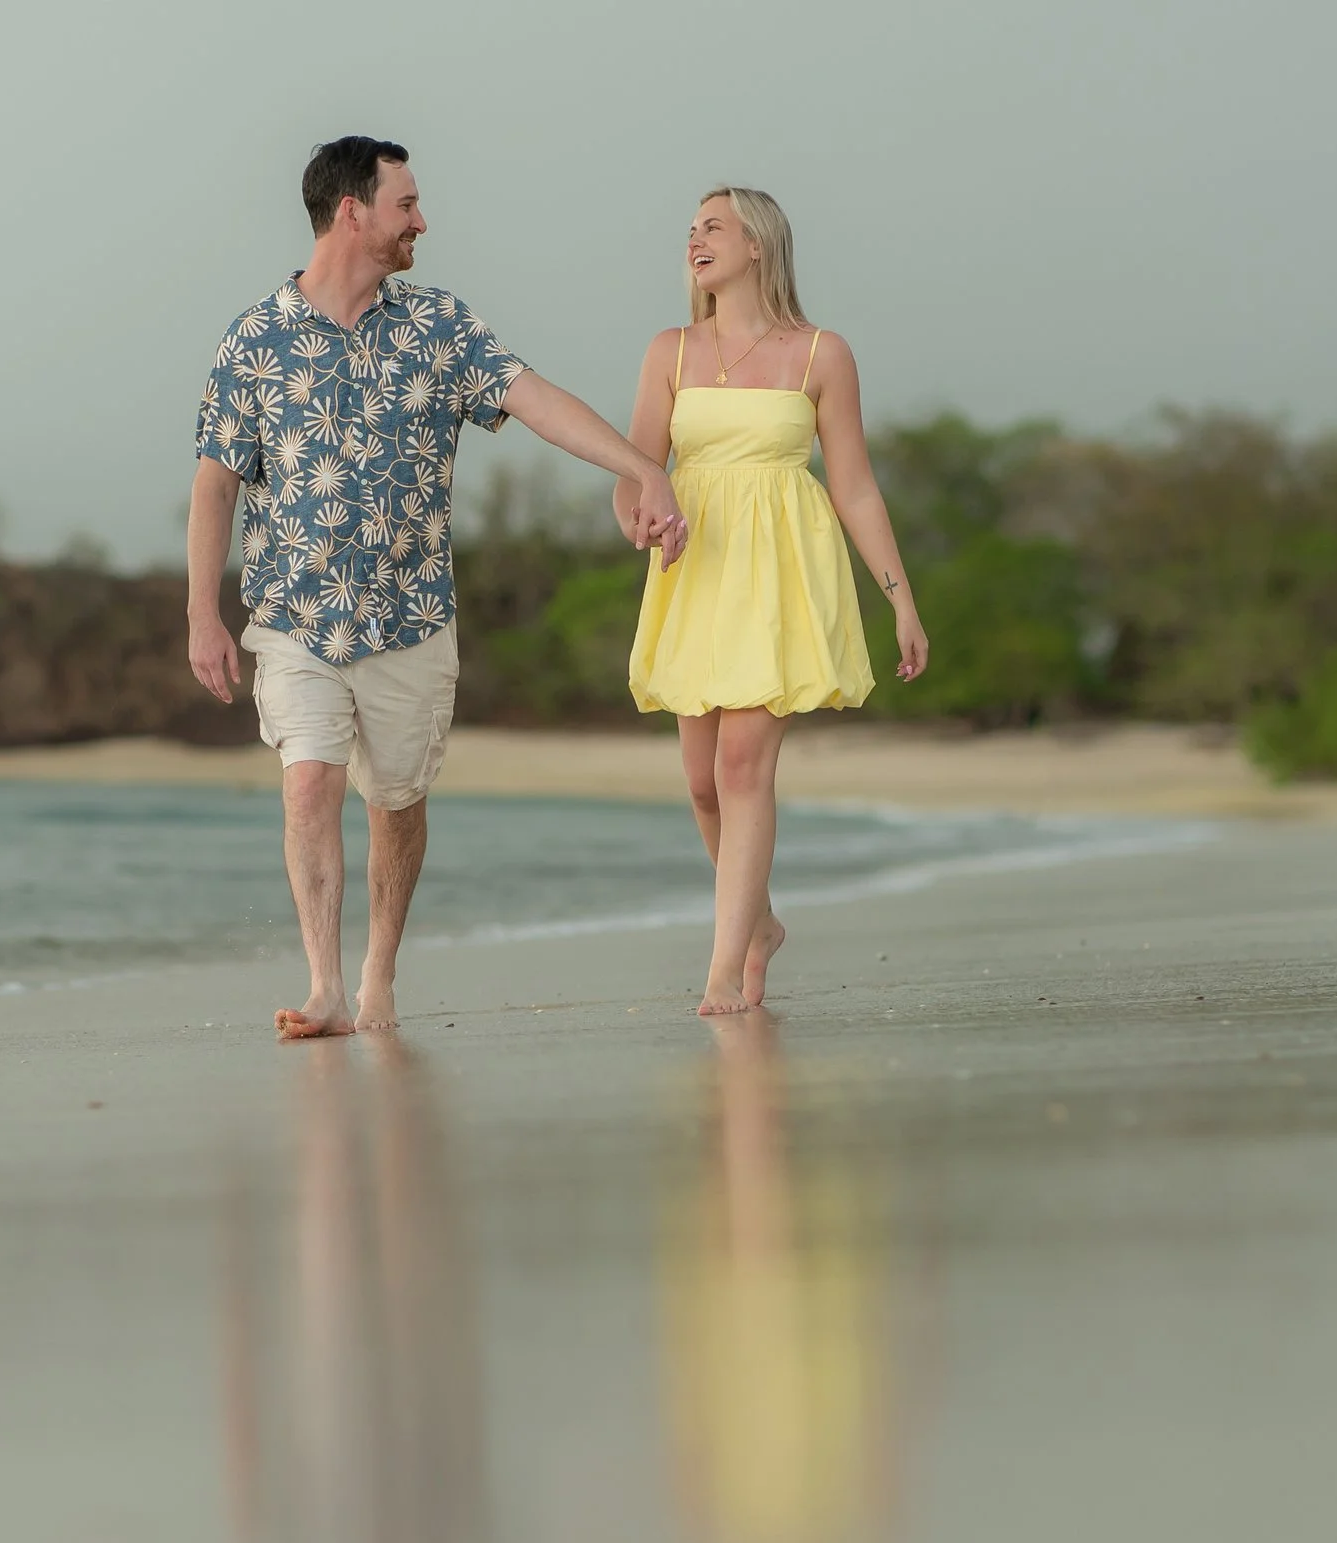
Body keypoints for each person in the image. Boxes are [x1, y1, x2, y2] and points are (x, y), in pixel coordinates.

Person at [187, 135, 686, 1041]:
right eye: (406, 204)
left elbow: (536, 400)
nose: (422, 220)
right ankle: (325, 985)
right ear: (353, 212)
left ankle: (379, 971)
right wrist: (201, 614)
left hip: (411, 618)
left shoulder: (439, 326)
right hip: (295, 616)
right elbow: (216, 484)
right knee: (308, 786)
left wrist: (642, 468)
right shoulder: (255, 338)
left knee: (397, 804)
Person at [617, 186, 930, 1015]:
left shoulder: (823, 353)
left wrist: (900, 601)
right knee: (701, 783)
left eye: (713, 227)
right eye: (690, 229)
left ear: (759, 244)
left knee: (742, 766)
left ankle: (724, 969)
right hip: (696, 573)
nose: (695, 239)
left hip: (783, 575)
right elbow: (636, 471)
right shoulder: (670, 351)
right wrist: (640, 519)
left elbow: (855, 489)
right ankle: (757, 924)